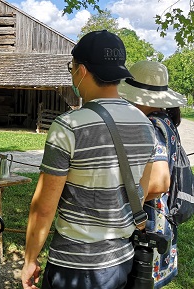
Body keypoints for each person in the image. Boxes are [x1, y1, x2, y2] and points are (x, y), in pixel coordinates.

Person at [21, 30, 157, 289]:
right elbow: (141, 192)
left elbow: (43, 208)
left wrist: (30, 259)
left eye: (71, 68)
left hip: (74, 266)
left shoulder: (69, 125)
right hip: (121, 261)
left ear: (81, 70)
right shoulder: (144, 124)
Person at [118, 60, 187, 288]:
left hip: (149, 221)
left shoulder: (151, 126)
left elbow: (158, 183)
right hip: (162, 219)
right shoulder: (166, 122)